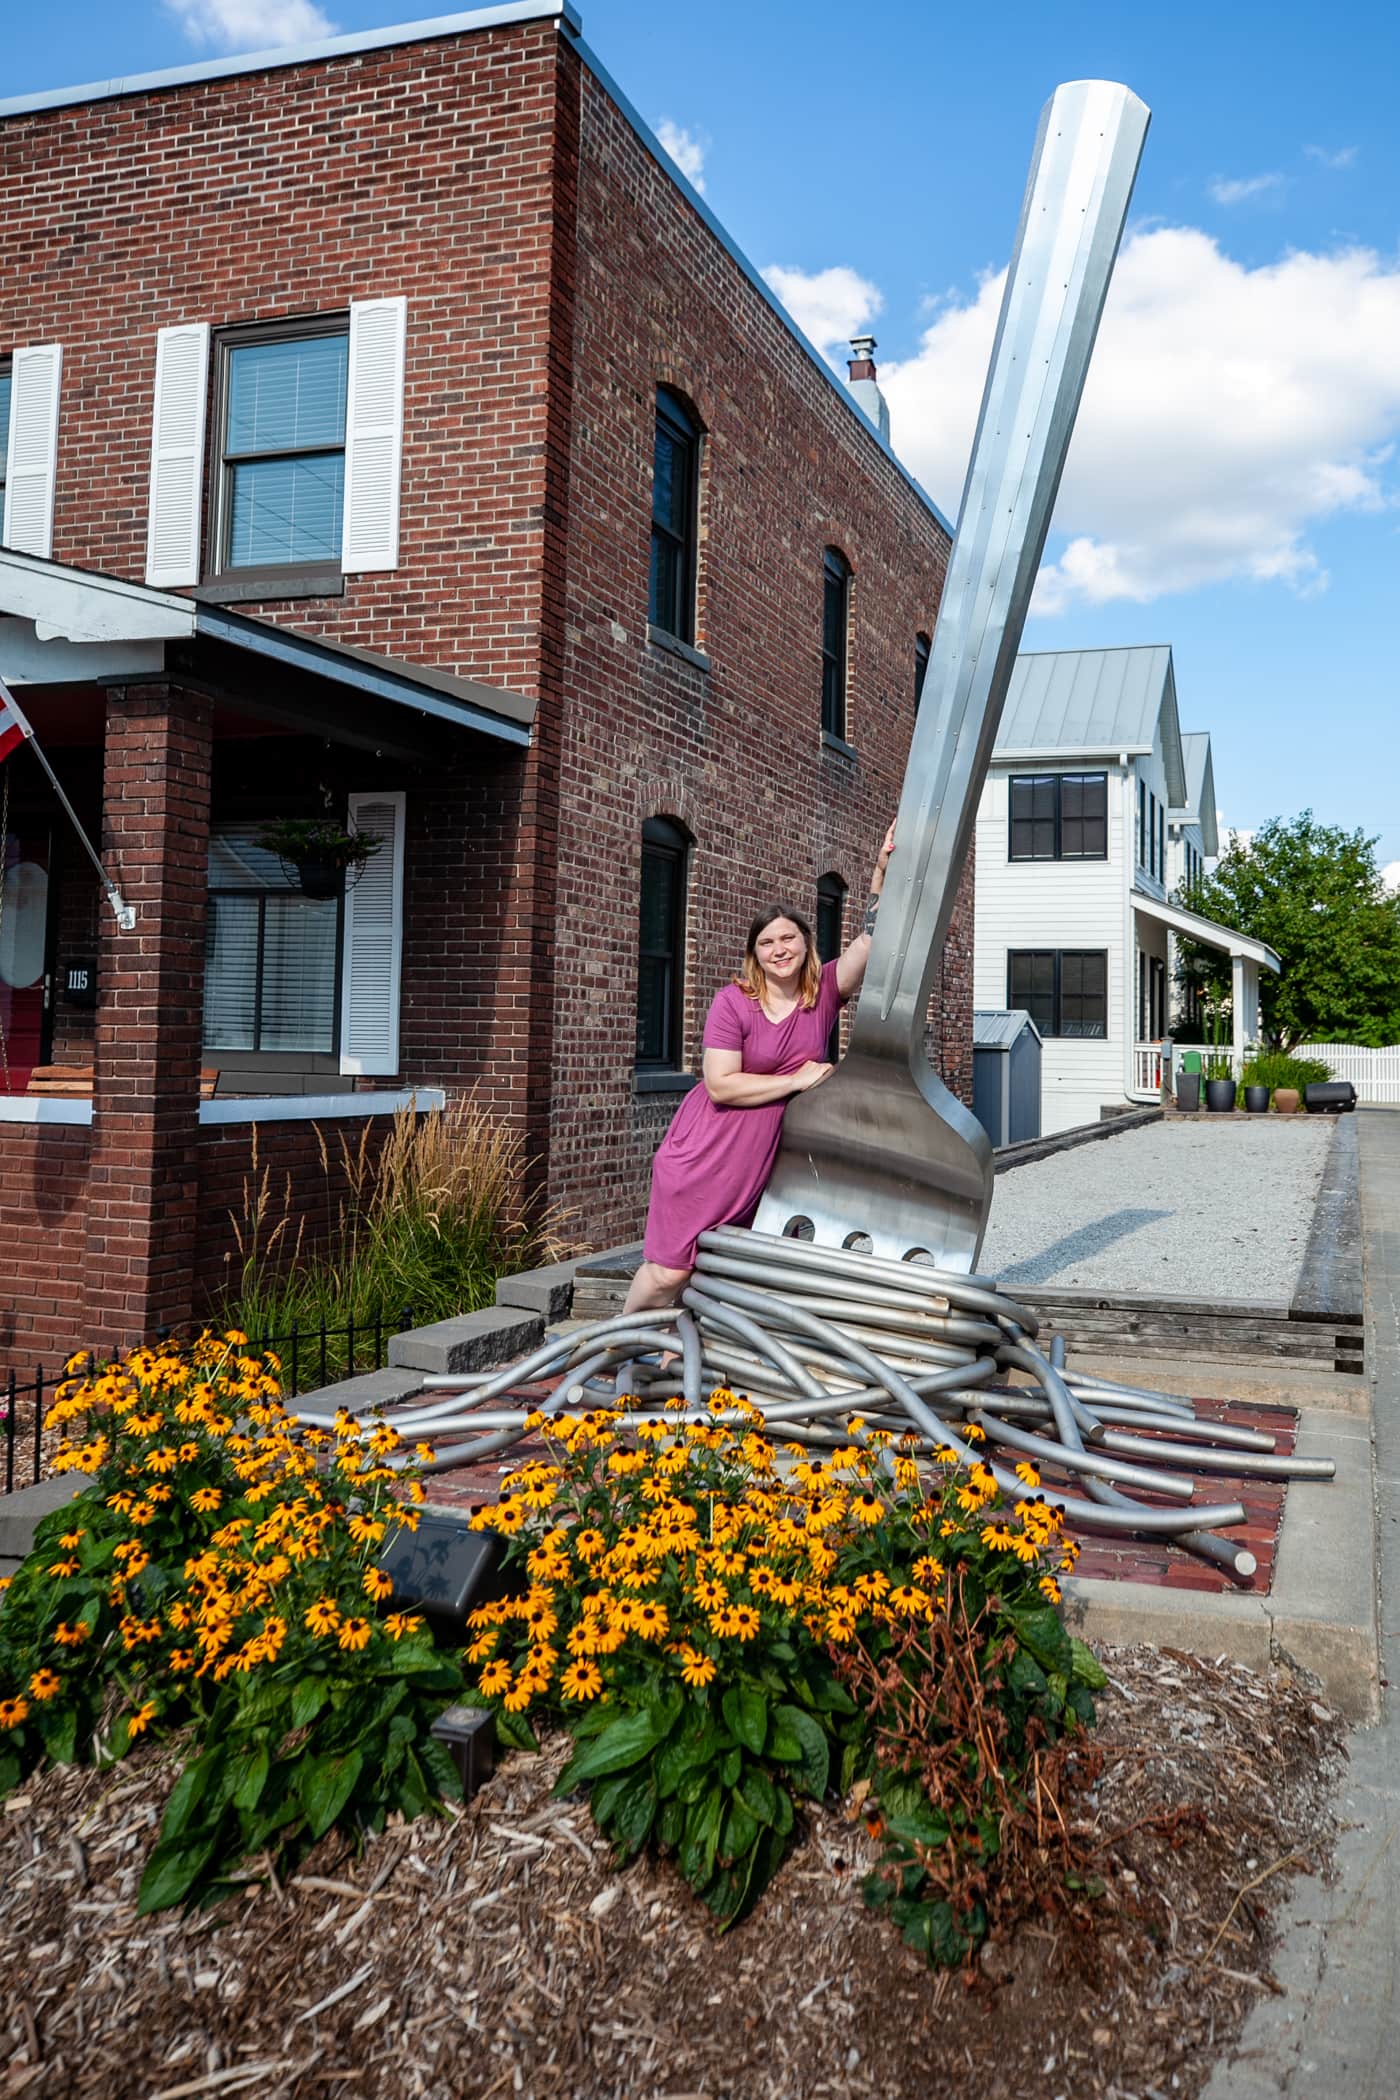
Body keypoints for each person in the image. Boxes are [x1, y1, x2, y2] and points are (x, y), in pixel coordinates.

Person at [623, 823, 896, 1316]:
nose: (779, 949)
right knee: (670, 1270)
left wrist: (879, 874)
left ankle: (670, 1368)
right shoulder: (734, 1002)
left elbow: (869, 946)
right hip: (704, 1151)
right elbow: (721, 1085)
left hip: (757, 1161)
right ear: (755, 954)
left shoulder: (824, 994)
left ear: (806, 943)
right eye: (767, 942)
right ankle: (613, 1347)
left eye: (788, 938)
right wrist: (797, 1079)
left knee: (716, 1271)